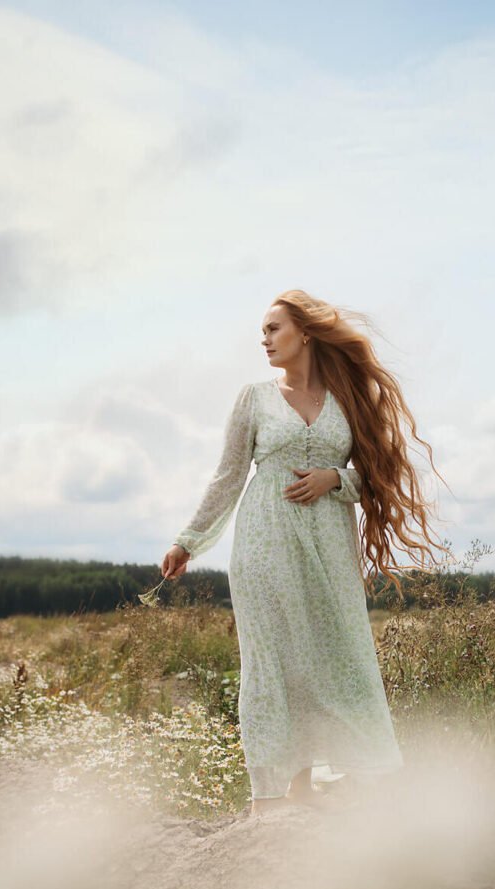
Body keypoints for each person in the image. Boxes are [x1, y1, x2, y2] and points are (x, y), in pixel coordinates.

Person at [160, 289, 448, 817]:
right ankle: (270, 793)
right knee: (272, 664)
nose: (264, 340)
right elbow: (227, 476)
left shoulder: (348, 401)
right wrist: (189, 541)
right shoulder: (254, 399)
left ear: (306, 333)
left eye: (274, 329)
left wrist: (334, 477)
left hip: (330, 551)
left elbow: (377, 477)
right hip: (265, 545)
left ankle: (309, 784)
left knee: (339, 656)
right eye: (263, 332)